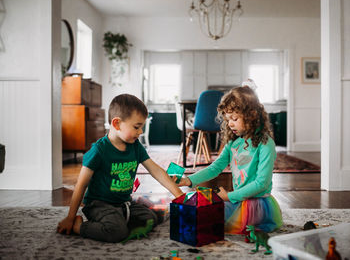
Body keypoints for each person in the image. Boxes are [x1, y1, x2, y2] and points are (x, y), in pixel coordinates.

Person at [57, 94, 183, 242]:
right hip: (98, 205)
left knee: (151, 218)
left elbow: (155, 170)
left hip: (124, 203)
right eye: (137, 127)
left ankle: (120, 220)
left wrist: (179, 194)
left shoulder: (135, 146)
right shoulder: (99, 150)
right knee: (117, 232)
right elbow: (81, 185)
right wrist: (70, 218)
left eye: (141, 127)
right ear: (116, 124)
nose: (140, 132)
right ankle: (80, 227)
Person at [177, 83, 283, 235]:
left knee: (206, 218)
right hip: (237, 200)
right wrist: (188, 180)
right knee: (195, 208)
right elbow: (215, 168)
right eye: (228, 119)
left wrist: (229, 196)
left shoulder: (266, 144)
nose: (230, 123)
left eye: (234, 118)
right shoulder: (233, 143)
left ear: (252, 115)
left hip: (256, 205)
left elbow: (261, 183)